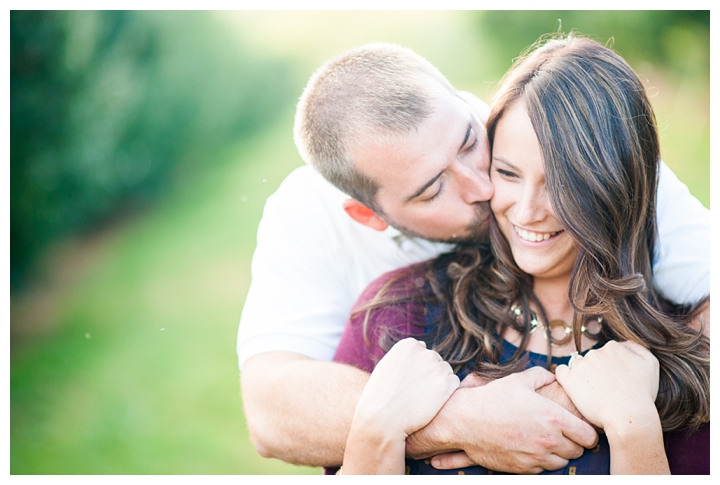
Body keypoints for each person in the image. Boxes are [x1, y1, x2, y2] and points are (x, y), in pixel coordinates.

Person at [237, 42, 710, 472]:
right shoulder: (353, 266)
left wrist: (599, 402)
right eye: (433, 189)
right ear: (370, 215)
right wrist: (458, 420)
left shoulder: (557, 133)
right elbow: (270, 409)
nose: (485, 188)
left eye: (469, 144)